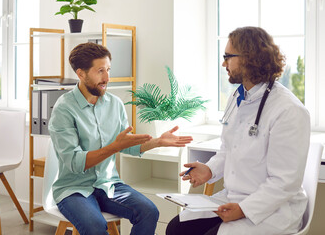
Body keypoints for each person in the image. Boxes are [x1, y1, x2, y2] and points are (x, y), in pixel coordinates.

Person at [166, 26, 311, 235]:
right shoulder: (238, 97)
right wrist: (209, 170)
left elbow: (284, 182)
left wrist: (244, 209)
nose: (224, 63)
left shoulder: (288, 110)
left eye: (228, 57)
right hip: (234, 199)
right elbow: (228, 150)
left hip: (272, 210)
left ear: (248, 58)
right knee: (177, 229)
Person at [48, 42, 193, 235]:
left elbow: (127, 145)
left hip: (109, 185)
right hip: (73, 189)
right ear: (81, 74)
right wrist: (114, 147)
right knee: (94, 226)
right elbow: (74, 163)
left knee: (149, 211)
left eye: (108, 70)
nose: (107, 77)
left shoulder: (114, 104)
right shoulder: (64, 108)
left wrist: (157, 141)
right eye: (100, 71)